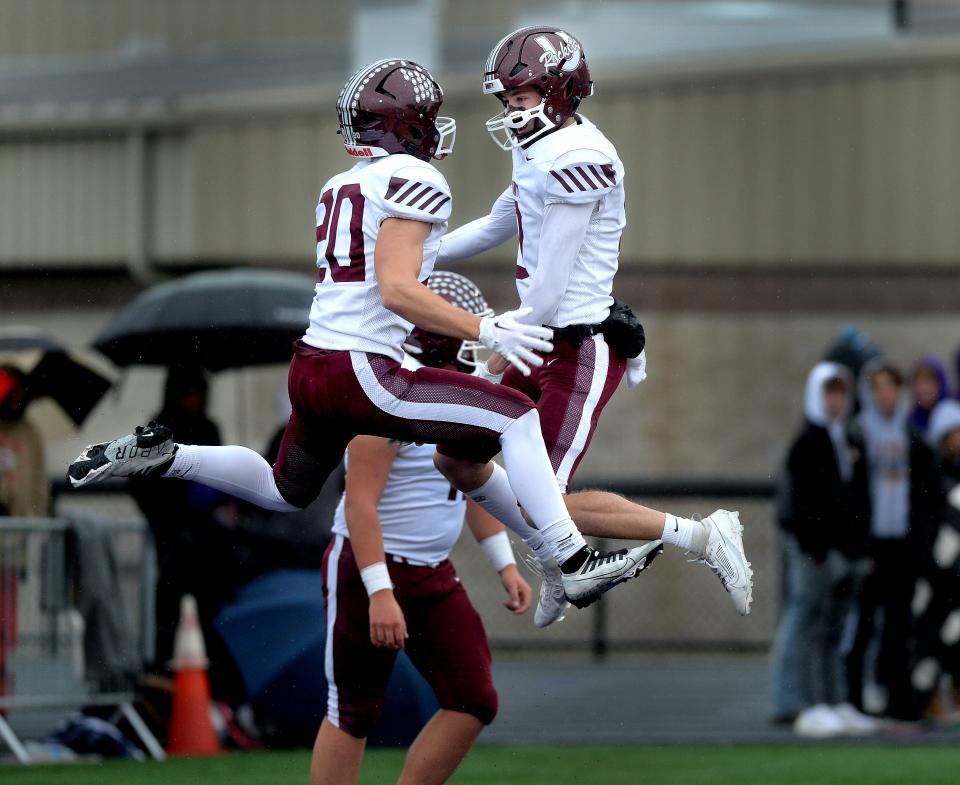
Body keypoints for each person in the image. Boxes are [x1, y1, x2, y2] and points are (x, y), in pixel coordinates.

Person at [67, 58, 662, 621]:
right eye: (425, 119)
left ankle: (169, 455)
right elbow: (400, 289)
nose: (434, 131)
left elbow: (396, 267)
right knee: (518, 417)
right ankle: (574, 561)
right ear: (407, 126)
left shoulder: (341, 185)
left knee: (282, 488)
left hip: (312, 367)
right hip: (364, 372)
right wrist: (486, 326)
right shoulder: (417, 177)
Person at [436, 26, 752, 624]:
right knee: (456, 458)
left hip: (577, 346)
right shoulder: (538, 142)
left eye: (520, 98)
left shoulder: (581, 155)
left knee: (543, 503)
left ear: (557, 92)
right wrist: (419, 259)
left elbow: (552, 290)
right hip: (540, 335)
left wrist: (492, 337)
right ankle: (556, 561)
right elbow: (504, 216)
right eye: (506, 100)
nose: (510, 111)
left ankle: (704, 535)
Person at [312, 272, 531, 785]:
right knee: (353, 710)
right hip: (369, 570)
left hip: (432, 572)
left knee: (473, 699)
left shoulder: (455, 392)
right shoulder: (388, 393)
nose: (471, 349)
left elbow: (470, 481)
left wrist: (503, 562)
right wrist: (380, 593)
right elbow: (360, 505)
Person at [769, 362, 873, 736]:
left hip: (843, 553)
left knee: (834, 629)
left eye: (841, 393)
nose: (836, 401)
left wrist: (857, 550)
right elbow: (801, 505)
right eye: (830, 393)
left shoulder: (847, 438)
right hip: (816, 553)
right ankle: (806, 703)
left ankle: (834, 700)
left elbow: (855, 499)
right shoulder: (807, 443)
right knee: (809, 625)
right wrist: (817, 549)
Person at [844, 360, 939, 719]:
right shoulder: (859, 432)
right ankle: (853, 700)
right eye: (880, 387)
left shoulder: (910, 434)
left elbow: (927, 493)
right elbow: (852, 495)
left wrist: (922, 541)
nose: (887, 394)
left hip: (903, 544)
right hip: (873, 546)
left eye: (892, 386)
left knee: (899, 627)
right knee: (864, 624)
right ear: (871, 392)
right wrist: (858, 545)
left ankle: (898, 700)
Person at [0, 365, 49, 702]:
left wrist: (30, 525)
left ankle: (4, 695)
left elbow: (38, 489)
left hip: (12, 547)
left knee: (6, 628)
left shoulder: (30, 434)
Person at [912, 399, 960, 720]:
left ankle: (952, 692)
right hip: (937, 571)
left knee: (955, 635)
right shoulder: (934, 473)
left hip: (955, 571)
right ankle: (926, 697)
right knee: (932, 636)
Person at [908, 357, 951, 436]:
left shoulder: (954, 418)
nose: (921, 388)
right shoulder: (910, 422)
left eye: (927, 381)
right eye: (917, 382)